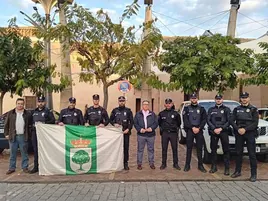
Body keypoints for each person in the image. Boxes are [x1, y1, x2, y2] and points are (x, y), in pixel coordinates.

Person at [230, 92, 259, 182]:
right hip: (239, 133)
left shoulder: (253, 109)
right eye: (242, 98)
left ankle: (253, 174)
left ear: (248, 98)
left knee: (252, 154)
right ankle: (237, 171)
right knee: (238, 153)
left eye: (246, 97)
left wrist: (245, 129)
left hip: (249, 133)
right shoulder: (236, 109)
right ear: (240, 99)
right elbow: (231, 120)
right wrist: (237, 129)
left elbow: (255, 123)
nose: (244, 99)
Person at [4, 98, 31, 175]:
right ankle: (12, 168)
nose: (20, 105)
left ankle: (25, 167)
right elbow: (6, 124)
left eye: (21, 104)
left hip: (23, 136)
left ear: (24, 104)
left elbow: (29, 125)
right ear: (16, 104)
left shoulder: (27, 114)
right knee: (13, 153)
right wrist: (6, 134)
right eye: (18, 103)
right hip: (13, 136)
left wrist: (29, 135)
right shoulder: (10, 113)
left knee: (24, 153)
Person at [30, 96, 55, 174]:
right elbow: (30, 122)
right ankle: (36, 167)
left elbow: (52, 121)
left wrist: (43, 124)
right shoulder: (33, 111)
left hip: (44, 134)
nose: (40, 103)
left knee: (45, 150)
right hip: (35, 133)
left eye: (42, 102)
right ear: (37, 103)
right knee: (36, 150)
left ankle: (46, 166)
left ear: (45, 102)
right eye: (39, 102)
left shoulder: (48, 111)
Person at [207, 94, 231, 175]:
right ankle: (214, 167)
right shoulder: (211, 109)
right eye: (217, 99)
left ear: (222, 100)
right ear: (215, 100)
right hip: (214, 132)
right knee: (213, 150)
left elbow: (229, 121)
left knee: (226, 150)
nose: (218, 100)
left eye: (219, 99)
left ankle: (227, 168)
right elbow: (208, 120)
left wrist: (221, 128)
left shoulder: (226, 109)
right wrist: (214, 128)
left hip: (223, 131)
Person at [183, 93, 207, 173]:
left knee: (199, 148)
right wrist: (192, 127)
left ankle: (200, 165)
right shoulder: (186, 108)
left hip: (199, 130)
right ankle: (187, 165)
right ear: (190, 99)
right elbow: (185, 120)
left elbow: (204, 119)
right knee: (189, 148)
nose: (194, 99)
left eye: (195, 98)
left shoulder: (202, 109)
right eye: (192, 98)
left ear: (197, 99)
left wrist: (199, 128)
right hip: (190, 130)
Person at [110, 96, 134, 170]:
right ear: (118, 101)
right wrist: (114, 124)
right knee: (116, 148)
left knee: (125, 148)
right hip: (117, 133)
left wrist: (128, 129)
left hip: (125, 132)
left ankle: (125, 163)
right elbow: (110, 120)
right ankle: (116, 163)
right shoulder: (114, 111)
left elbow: (132, 121)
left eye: (123, 101)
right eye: (120, 101)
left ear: (125, 102)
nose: (121, 102)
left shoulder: (128, 111)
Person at [134, 100, 158, 170]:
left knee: (151, 149)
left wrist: (151, 128)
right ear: (142, 105)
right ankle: (139, 164)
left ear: (148, 106)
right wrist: (140, 129)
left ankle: (151, 163)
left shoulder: (152, 114)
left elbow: (156, 123)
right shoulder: (138, 114)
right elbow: (135, 123)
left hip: (151, 135)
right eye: (144, 104)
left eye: (147, 104)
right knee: (140, 149)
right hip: (141, 135)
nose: (146, 106)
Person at [158, 98, 181, 170]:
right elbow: (159, 123)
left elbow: (179, 123)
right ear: (165, 104)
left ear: (172, 104)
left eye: (169, 103)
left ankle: (175, 164)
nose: (168, 105)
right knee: (164, 149)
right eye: (167, 103)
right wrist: (162, 130)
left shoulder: (176, 113)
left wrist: (175, 129)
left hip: (173, 133)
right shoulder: (161, 113)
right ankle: (163, 164)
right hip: (165, 134)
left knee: (174, 149)